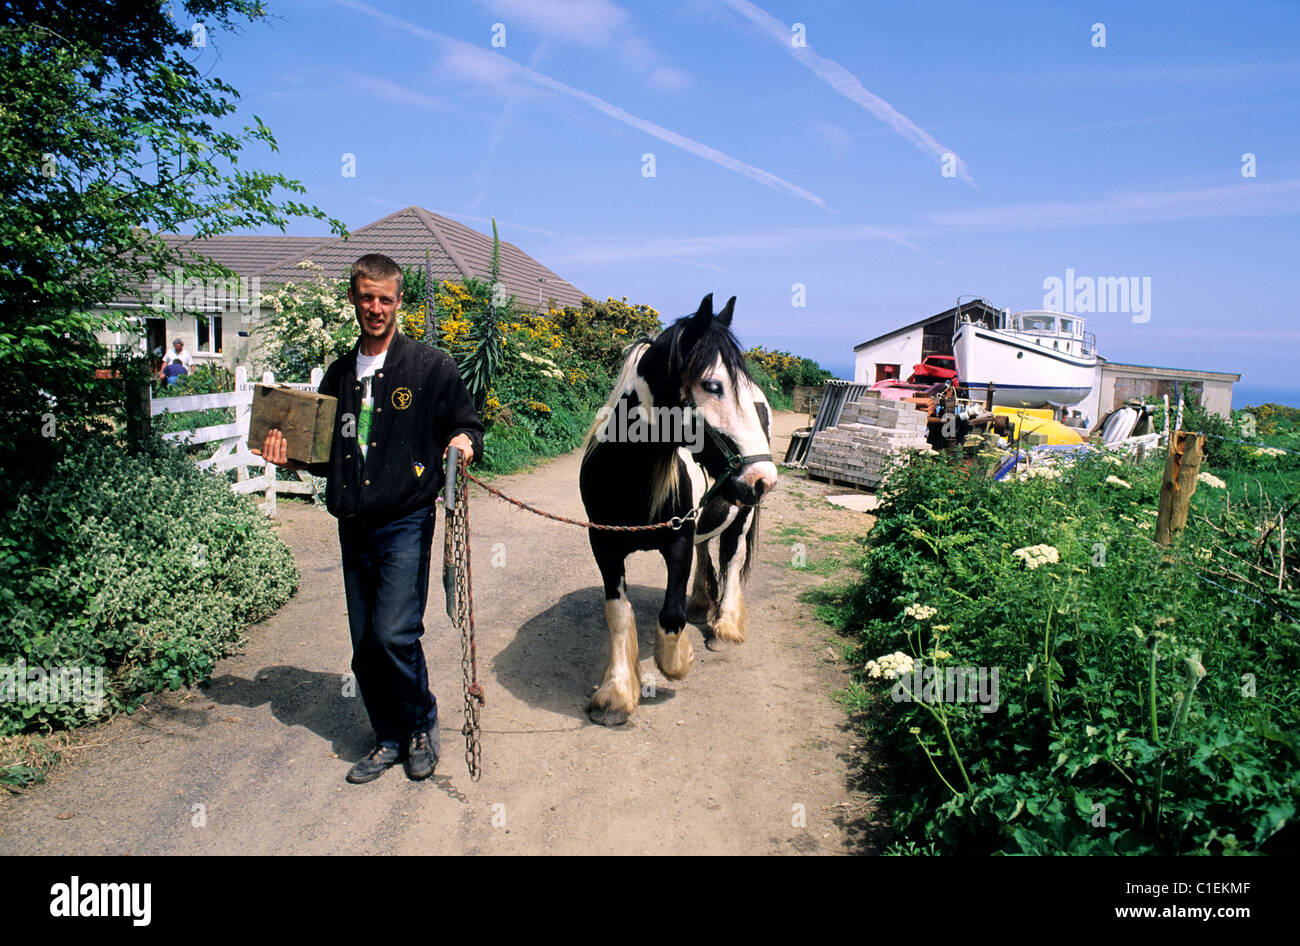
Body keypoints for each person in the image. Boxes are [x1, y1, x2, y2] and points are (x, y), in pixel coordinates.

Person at [255, 253, 483, 784]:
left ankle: (422, 724)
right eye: (366, 297)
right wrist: (284, 456)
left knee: (393, 634)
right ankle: (388, 736)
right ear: (354, 299)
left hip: (405, 520)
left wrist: (461, 442)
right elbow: (320, 453)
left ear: (399, 301)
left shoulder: (431, 368)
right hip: (352, 522)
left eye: (385, 298)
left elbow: (468, 425)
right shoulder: (339, 373)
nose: (375, 308)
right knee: (364, 646)